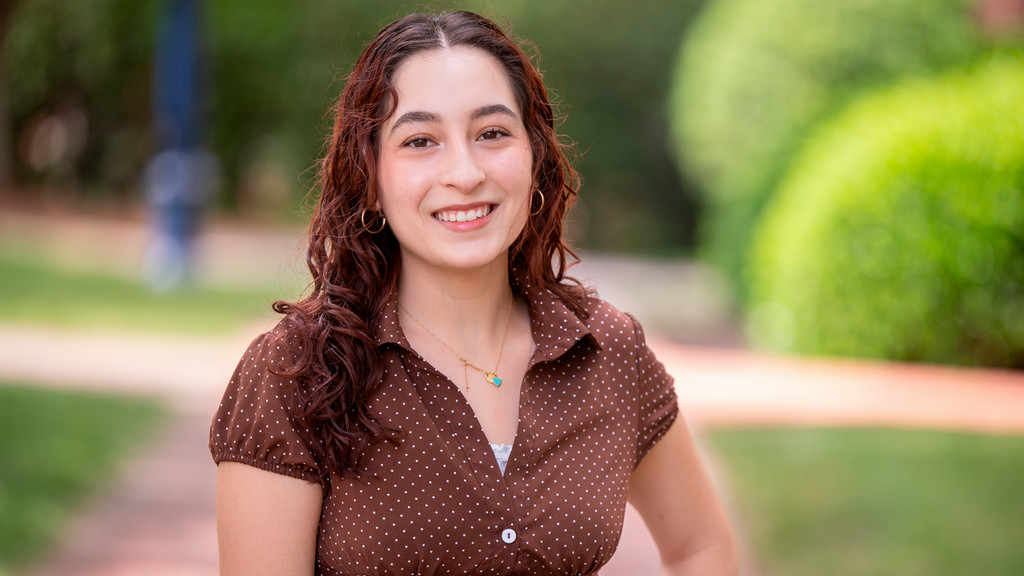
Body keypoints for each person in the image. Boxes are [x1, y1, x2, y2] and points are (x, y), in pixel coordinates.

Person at [210, 10, 737, 576]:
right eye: (419, 140)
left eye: (491, 133)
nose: (463, 172)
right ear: (371, 179)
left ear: (534, 159)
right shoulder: (295, 371)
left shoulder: (607, 351)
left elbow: (701, 548)